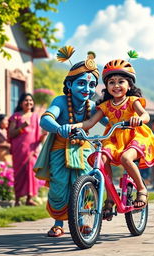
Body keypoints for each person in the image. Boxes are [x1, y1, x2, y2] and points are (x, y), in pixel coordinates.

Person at [72, 59, 154, 219]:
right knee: (101, 159)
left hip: (135, 135)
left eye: (121, 81)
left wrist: (139, 119)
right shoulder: (105, 106)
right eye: (111, 82)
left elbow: (146, 115)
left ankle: (142, 189)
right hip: (114, 138)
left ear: (129, 85)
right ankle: (109, 198)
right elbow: (90, 122)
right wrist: (75, 126)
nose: (116, 85)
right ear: (106, 86)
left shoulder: (132, 101)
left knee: (125, 158)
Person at [34, 52, 106, 237]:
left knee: (85, 184)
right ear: (69, 84)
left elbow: (109, 121)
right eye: (81, 83)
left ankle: (82, 222)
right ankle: (58, 223)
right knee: (59, 186)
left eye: (91, 85)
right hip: (60, 148)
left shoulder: (92, 105)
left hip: (84, 149)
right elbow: (45, 119)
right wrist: (59, 128)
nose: (87, 89)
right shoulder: (60, 101)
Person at [8, 93, 47, 207]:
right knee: (19, 174)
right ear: (21, 103)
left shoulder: (35, 117)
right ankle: (17, 199)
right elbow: (11, 133)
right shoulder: (16, 116)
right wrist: (22, 127)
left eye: (31, 100)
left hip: (32, 149)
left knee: (30, 173)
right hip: (19, 149)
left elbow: (39, 137)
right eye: (26, 100)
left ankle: (29, 198)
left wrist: (43, 135)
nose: (29, 102)